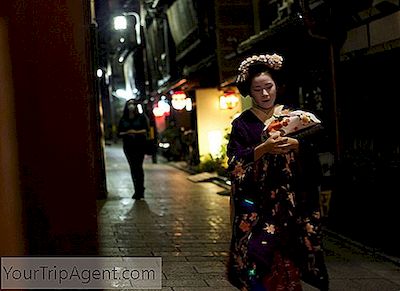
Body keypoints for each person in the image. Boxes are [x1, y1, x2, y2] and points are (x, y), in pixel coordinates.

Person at [226, 53, 329, 290]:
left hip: (291, 201)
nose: (265, 94)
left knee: (289, 256)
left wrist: (298, 145)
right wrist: (264, 148)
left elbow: (320, 140)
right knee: (257, 255)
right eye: (258, 89)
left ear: (277, 86)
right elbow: (234, 161)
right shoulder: (242, 124)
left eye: (269, 87)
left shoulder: (295, 117)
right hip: (258, 202)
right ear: (249, 92)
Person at [118, 99, 150, 200]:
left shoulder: (141, 117)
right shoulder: (123, 119)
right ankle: (137, 189)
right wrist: (127, 132)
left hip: (139, 145)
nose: (131, 106)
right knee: (133, 167)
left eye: (132, 104)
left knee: (138, 167)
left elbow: (146, 130)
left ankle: (140, 190)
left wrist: (135, 132)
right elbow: (119, 133)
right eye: (129, 104)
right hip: (128, 146)